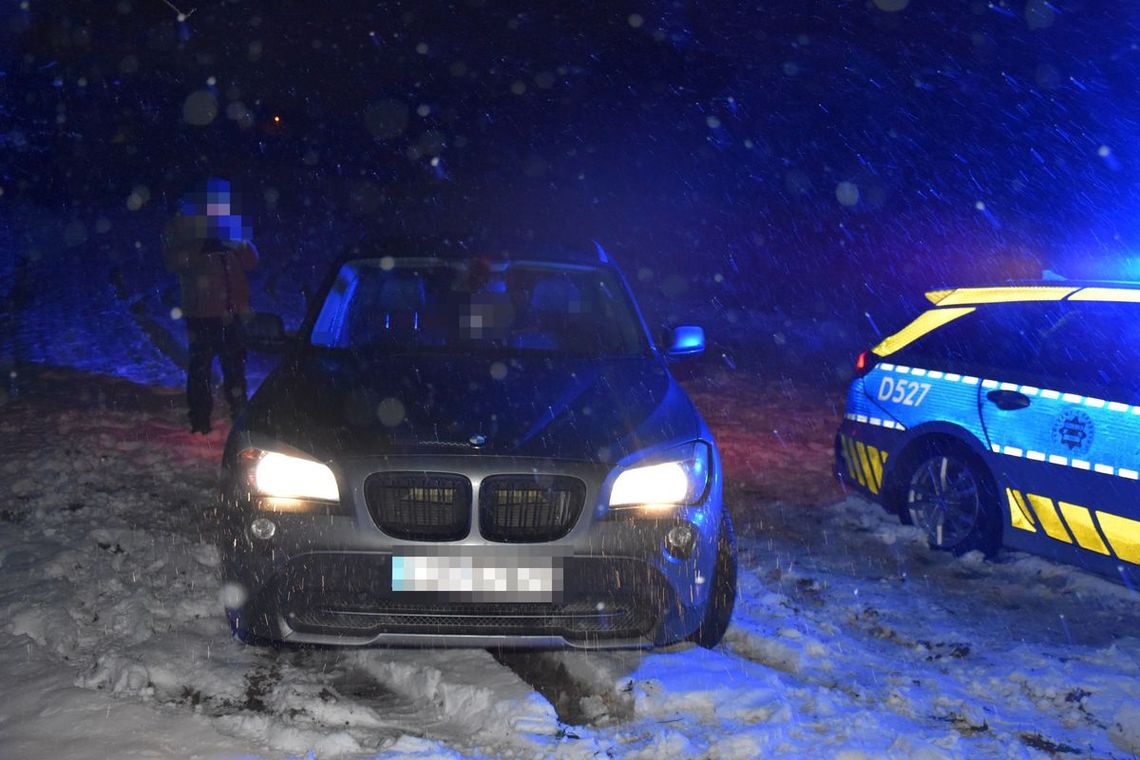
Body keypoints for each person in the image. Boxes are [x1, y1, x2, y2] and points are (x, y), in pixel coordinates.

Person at [163, 178, 259, 434]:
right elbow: (173, 260)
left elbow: (252, 261)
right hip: (202, 313)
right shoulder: (184, 225)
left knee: (236, 368)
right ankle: (200, 420)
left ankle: (239, 414)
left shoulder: (232, 226)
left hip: (234, 311)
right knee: (201, 369)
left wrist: (241, 244)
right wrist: (202, 247)